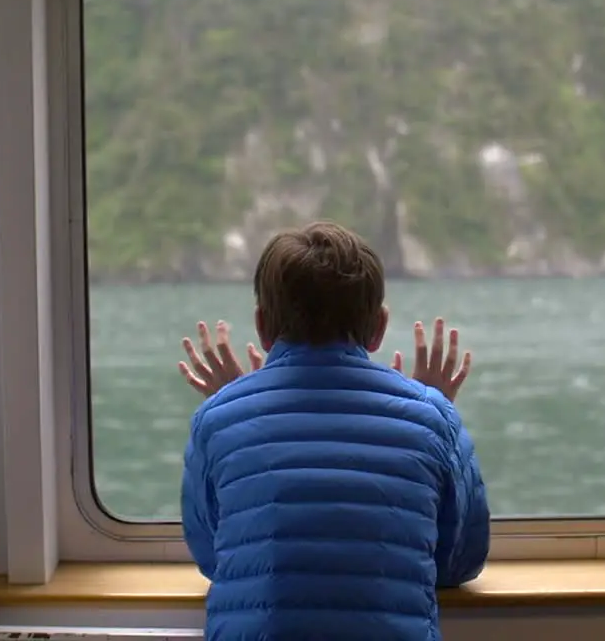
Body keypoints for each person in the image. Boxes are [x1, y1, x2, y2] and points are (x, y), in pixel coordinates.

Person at [177, 220, 490, 641]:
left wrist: (238, 405)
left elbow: (216, 557)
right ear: (378, 327)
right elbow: (459, 562)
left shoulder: (215, 420)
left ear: (263, 326)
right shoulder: (433, 418)